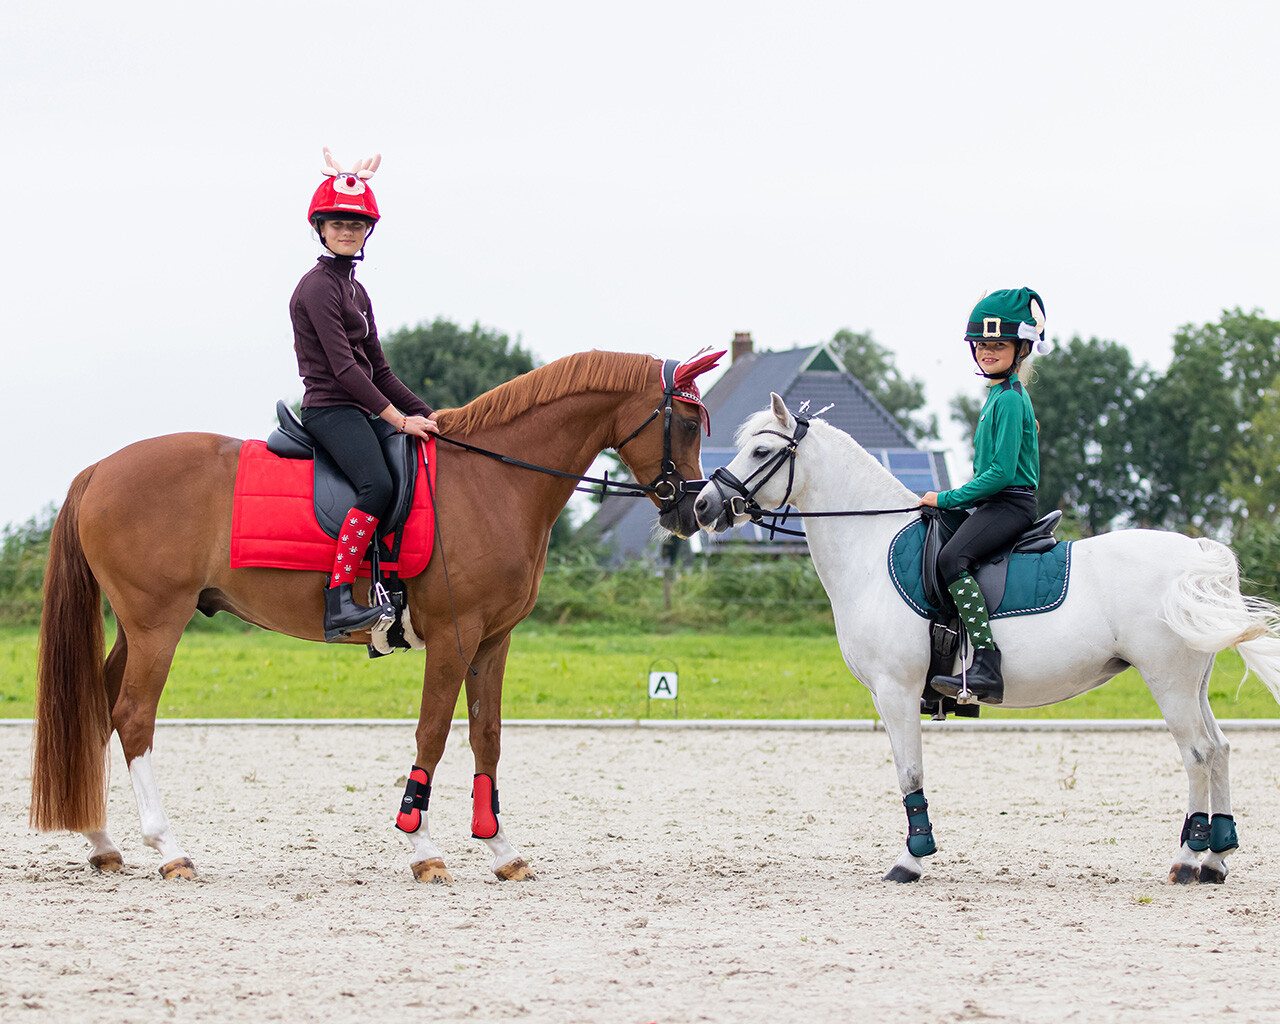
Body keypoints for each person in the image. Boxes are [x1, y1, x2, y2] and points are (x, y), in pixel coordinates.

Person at [291, 149, 438, 641]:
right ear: (322, 228)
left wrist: (429, 415)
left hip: (361, 405)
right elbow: (345, 370)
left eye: (356, 224)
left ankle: (394, 587)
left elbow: (380, 370)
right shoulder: (317, 288)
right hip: (330, 409)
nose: (347, 232)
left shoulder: (356, 291)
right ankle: (340, 600)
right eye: (338, 223)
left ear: (366, 231)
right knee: (377, 484)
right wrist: (397, 419)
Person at [918, 288, 1046, 705]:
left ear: (1020, 349)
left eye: (998, 344)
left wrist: (947, 498)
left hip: (1009, 503)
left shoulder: (1008, 399)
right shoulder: (997, 395)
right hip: (994, 501)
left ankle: (987, 664)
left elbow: (1000, 474)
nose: (988, 352)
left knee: (952, 559)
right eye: (982, 345)